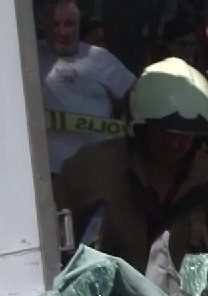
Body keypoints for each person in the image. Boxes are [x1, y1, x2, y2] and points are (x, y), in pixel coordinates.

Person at [53, 57, 208, 273]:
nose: (175, 144)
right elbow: (48, 243)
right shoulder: (90, 170)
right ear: (141, 128)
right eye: (165, 133)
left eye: (185, 135)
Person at [37, 0, 136, 175]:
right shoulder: (29, 55)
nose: (62, 32)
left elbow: (132, 96)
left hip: (97, 168)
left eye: (69, 24)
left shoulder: (99, 57)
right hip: (48, 172)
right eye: (55, 24)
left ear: (78, 25)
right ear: (43, 25)